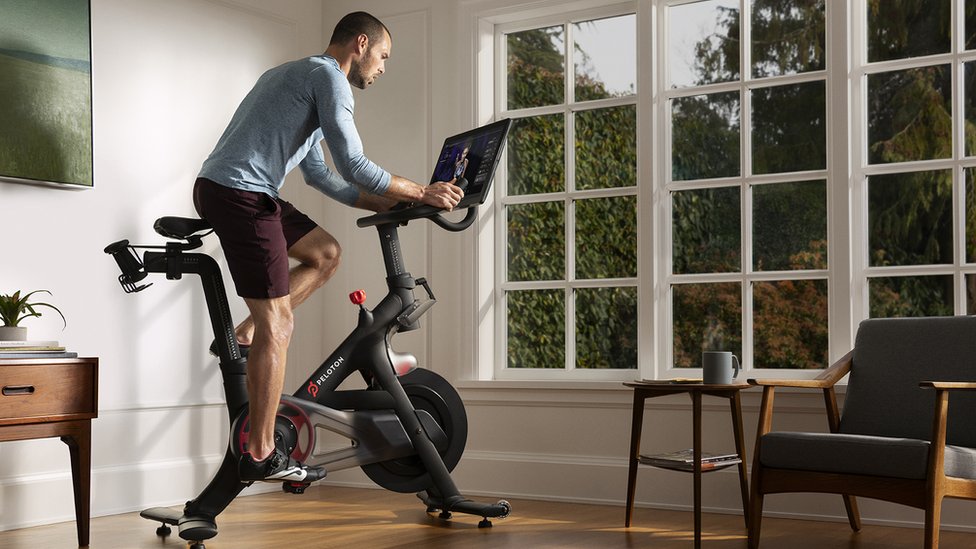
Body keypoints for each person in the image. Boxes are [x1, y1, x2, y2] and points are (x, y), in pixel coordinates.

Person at [192, 11, 463, 483]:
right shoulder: (329, 79)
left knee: (326, 254)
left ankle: (243, 336)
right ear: (360, 43)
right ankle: (260, 454)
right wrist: (421, 191)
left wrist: (389, 202)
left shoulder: (296, 74)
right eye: (383, 56)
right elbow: (354, 163)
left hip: (241, 190)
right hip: (240, 193)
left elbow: (322, 176)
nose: (382, 68)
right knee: (280, 325)